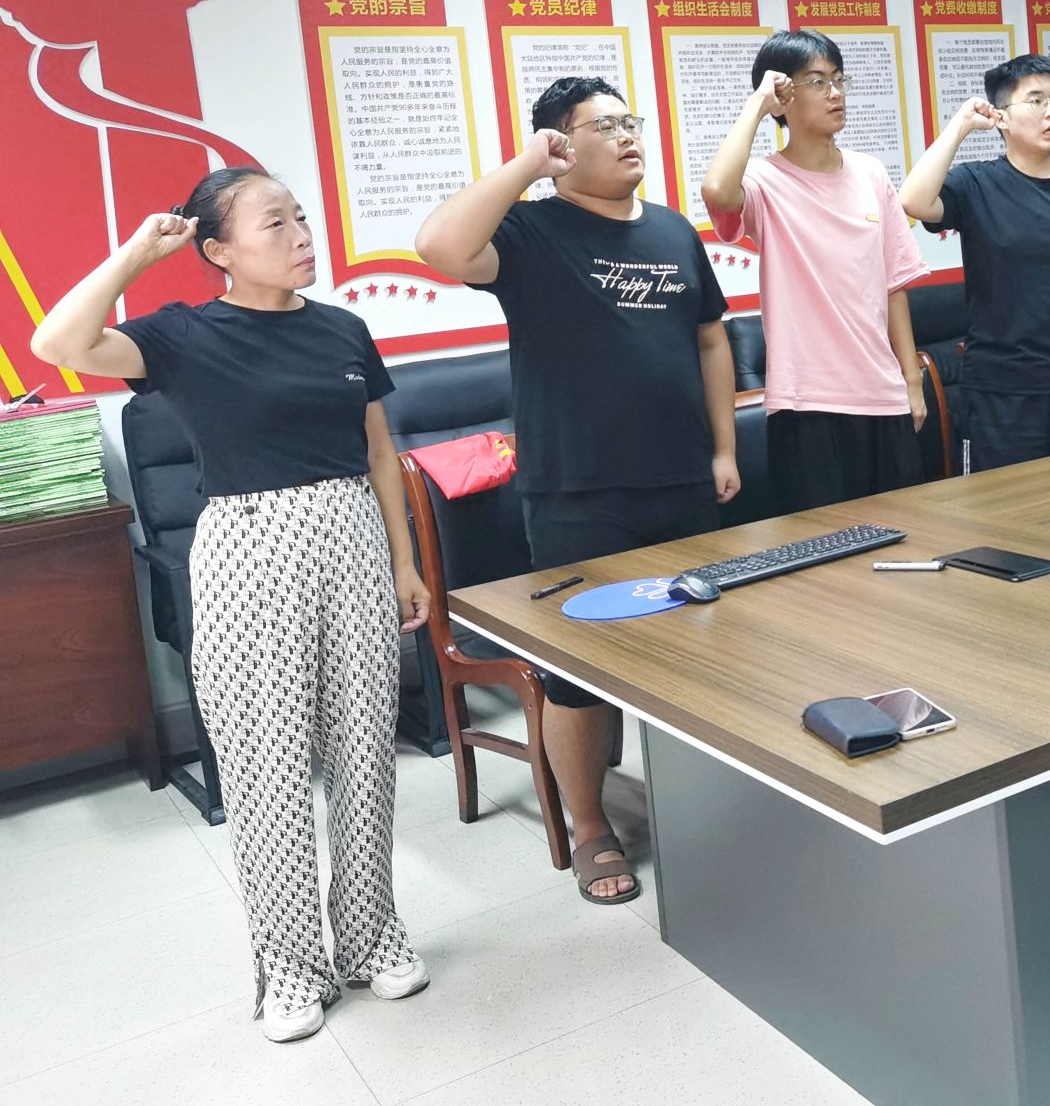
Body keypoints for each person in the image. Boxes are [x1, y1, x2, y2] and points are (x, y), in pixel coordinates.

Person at [31, 169, 429, 1043]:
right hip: (248, 550)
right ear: (218, 249)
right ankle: (290, 968)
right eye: (274, 223)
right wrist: (139, 254)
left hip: (353, 539)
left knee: (365, 750)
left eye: (301, 218)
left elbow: (378, 453)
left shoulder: (344, 329)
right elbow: (58, 339)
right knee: (266, 767)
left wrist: (404, 562)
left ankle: (371, 937)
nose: (301, 235)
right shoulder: (182, 335)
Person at [416, 76, 737, 907]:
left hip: (682, 477)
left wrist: (724, 448)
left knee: (695, 655)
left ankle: (702, 807)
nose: (629, 135)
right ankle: (592, 828)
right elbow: (439, 248)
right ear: (561, 146)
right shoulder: (530, 231)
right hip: (577, 489)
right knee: (577, 673)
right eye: (605, 126)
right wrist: (525, 167)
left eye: (632, 121)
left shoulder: (671, 229)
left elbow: (710, 339)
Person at [702, 30, 927, 510]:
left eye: (838, 79)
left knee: (907, 535)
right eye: (818, 82)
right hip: (806, 403)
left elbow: (895, 284)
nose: (835, 93)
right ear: (784, 97)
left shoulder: (870, 173)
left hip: (883, 395)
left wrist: (911, 381)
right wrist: (757, 104)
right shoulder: (764, 180)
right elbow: (718, 191)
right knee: (823, 547)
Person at [898, 54, 1050, 469]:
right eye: (1036, 100)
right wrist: (961, 125)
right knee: (1006, 505)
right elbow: (913, 201)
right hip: (1001, 392)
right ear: (1002, 117)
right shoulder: (976, 183)